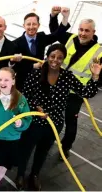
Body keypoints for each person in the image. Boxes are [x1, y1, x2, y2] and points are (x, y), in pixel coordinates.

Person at [16, 43, 101, 190]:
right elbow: (25, 96)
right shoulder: (36, 73)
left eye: (60, 58)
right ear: (47, 57)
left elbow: (86, 93)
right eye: (52, 56)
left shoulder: (67, 77)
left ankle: (34, 175)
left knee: (43, 152)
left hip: (54, 124)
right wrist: (36, 106)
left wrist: (95, 77)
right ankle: (20, 174)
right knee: (26, 149)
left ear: (63, 60)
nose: (55, 60)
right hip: (34, 122)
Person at [49, 13, 102, 158]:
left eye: (86, 31)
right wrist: (55, 16)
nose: (82, 33)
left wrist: (95, 77)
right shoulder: (71, 39)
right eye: (81, 29)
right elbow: (55, 31)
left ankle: (65, 148)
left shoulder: (99, 52)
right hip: (58, 87)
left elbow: (98, 79)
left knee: (71, 121)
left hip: (76, 93)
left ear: (93, 32)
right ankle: (46, 140)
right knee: (50, 116)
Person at [12, 8, 70, 91]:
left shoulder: (41, 37)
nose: (31, 27)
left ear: (38, 25)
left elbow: (57, 35)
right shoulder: (15, 44)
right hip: (21, 84)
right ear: (24, 25)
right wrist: (32, 66)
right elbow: (14, 67)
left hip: (39, 82)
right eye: (28, 24)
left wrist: (65, 17)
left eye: (34, 24)